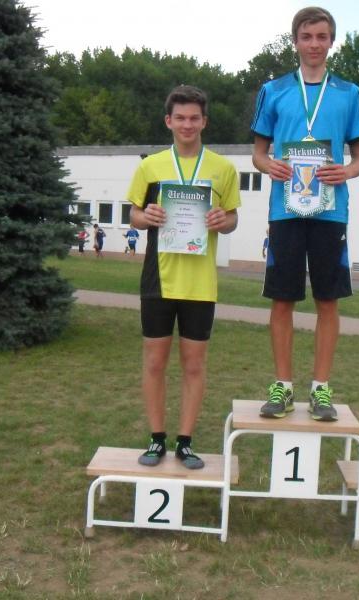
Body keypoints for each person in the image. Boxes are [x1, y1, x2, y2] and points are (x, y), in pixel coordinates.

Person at [252, 6, 359, 421]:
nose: (314, 44)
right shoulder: (274, 90)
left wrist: (346, 171)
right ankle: (282, 387)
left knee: (327, 299)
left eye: (321, 36)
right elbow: (258, 154)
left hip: (330, 211)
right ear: (295, 41)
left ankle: (321, 389)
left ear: (331, 41)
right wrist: (270, 166)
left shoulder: (349, 93)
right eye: (307, 36)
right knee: (282, 299)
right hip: (285, 210)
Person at [127, 85, 240, 469]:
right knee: (154, 362)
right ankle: (157, 438)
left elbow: (232, 219)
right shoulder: (151, 166)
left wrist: (223, 219)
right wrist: (146, 217)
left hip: (200, 283)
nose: (187, 124)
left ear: (204, 121)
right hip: (158, 279)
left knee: (194, 365)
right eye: (180, 118)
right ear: (168, 121)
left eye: (194, 118)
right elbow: (134, 215)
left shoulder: (223, 169)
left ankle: (185, 442)